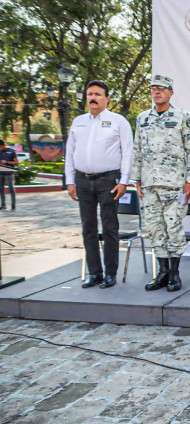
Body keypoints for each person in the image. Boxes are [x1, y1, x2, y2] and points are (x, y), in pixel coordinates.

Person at [132, 75, 190, 292]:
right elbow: (137, 150)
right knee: (154, 229)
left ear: (170, 92)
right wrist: (137, 179)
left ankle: (174, 274)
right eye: (153, 88)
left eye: (161, 88)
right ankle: (162, 272)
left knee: (174, 228)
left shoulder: (182, 117)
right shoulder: (143, 118)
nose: (157, 91)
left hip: (175, 186)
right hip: (149, 185)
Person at [65, 80, 133, 289]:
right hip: (83, 180)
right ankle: (94, 273)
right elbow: (70, 152)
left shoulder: (118, 121)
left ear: (107, 98)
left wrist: (124, 181)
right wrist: (70, 180)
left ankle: (110, 274)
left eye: (97, 94)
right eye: (90, 94)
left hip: (108, 180)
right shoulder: (78, 122)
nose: (93, 98)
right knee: (88, 228)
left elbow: (127, 152)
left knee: (110, 227)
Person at [0, 139, 18, 211]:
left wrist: (6, 162)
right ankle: (3, 205)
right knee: (1, 190)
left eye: (1, 147)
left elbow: (16, 162)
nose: (0, 148)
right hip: (0, 173)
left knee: (11, 189)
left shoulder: (12, 151)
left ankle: (13, 205)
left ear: (4, 145)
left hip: (9, 174)